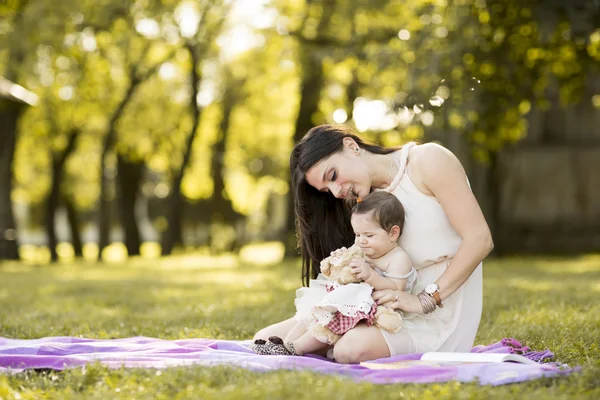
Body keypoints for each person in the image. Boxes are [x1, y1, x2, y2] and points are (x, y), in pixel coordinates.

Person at [253, 124, 493, 364]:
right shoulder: (364, 201)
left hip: (438, 308)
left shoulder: (428, 160)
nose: (337, 192)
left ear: (351, 146)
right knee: (264, 338)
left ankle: (341, 341)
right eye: (327, 189)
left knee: (349, 349)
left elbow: (480, 239)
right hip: (378, 305)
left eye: (333, 175)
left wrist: (424, 300)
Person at [252, 191, 417, 356]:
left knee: (327, 321)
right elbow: (346, 273)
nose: (361, 241)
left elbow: (397, 289)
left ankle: (297, 348)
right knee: (311, 314)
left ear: (393, 233)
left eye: (369, 235)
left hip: (369, 311)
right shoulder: (365, 250)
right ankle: (284, 345)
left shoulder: (398, 258)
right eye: (357, 235)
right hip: (347, 302)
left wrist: (370, 276)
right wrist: (340, 262)